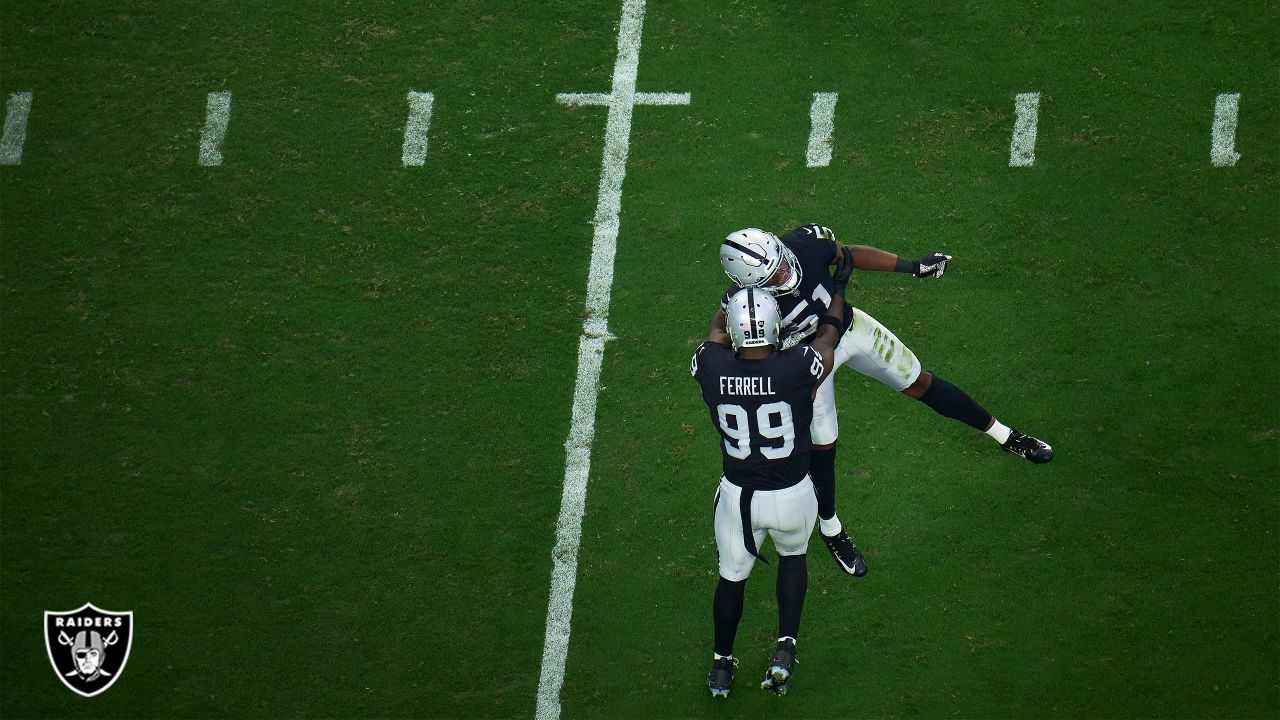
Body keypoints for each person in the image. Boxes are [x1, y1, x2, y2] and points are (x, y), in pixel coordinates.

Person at [711, 224, 1053, 576]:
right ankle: (831, 528)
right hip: (807, 363)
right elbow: (720, 334)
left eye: (781, 262)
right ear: (746, 284)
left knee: (920, 382)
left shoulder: (801, 244)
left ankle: (1006, 436)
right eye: (773, 274)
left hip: (847, 329)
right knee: (823, 446)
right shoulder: (742, 305)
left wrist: (913, 266)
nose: (785, 273)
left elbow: (849, 255)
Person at [691, 253, 851, 698]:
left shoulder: (710, 365)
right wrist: (838, 292)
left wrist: (731, 299)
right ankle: (785, 648)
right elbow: (827, 338)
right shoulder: (797, 366)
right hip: (794, 493)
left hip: (738, 497)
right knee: (794, 559)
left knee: (731, 578)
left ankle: (722, 664)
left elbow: (715, 334)